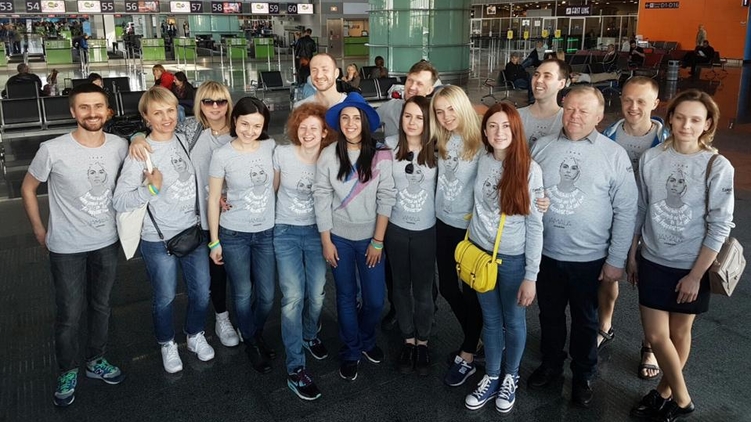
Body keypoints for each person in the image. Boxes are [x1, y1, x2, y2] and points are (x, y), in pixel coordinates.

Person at [528, 86, 638, 408]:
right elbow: (526, 194)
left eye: (584, 110)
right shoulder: (542, 147)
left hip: (590, 259)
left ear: (600, 116)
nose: (574, 115)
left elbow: (626, 210)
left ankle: (583, 374)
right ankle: (551, 364)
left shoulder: (613, 154)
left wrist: (616, 260)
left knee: (586, 321)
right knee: (549, 315)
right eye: (570, 108)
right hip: (546, 254)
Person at [628, 89, 734, 422]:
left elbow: (720, 225)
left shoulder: (717, 165)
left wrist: (695, 275)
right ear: (670, 118)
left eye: (695, 120)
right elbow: (641, 207)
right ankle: (684, 399)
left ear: (708, 124)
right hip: (653, 259)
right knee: (656, 335)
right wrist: (632, 253)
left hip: (691, 265)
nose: (686, 126)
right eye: (681, 118)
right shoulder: (652, 158)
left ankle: (665, 393)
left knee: (679, 334)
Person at [21, 83, 127, 407]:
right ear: (73, 111)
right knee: (69, 313)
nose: (92, 113)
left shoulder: (120, 145)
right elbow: (28, 188)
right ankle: (67, 370)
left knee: (101, 306)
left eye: (98, 106)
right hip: (66, 246)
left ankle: (96, 360)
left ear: (107, 111)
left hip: (106, 241)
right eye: (84, 107)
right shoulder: (52, 149)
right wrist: (39, 229)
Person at [129, 82, 241, 350]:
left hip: (237, 213)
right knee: (214, 274)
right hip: (201, 216)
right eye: (208, 101)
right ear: (199, 104)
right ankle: (221, 317)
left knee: (241, 273)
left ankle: (246, 320)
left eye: (221, 101)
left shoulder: (240, 128)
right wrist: (136, 136)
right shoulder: (190, 129)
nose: (215, 107)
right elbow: (157, 130)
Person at [113, 86, 215, 374]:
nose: (166, 118)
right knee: (165, 297)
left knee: (202, 292)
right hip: (158, 240)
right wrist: (151, 189)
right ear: (146, 117)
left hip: (192, 231)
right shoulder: (141, 153)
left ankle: (195, 334)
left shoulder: (184, 138)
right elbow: (119, 200)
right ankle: (167, 343)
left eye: (170, 110)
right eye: (157, 113)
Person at [463, 102, 543, 414]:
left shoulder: (529, 170)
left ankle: (511, 375)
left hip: (511, 259)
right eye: (492, 126)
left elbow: (535, 226)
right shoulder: (482, 160)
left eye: (506, 126)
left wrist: (531, 275)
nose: (499, 132)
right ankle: (493, 375)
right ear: (484, 131)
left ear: (516, 130)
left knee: (513, 319)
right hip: (480, 255)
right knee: (491, 319)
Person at [313, 92, 395, 382]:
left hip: (371, 239)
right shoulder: (328, 155)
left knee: (375, 300)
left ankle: (365, 338)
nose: (350, 123)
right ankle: (352, 350)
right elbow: (321, 197)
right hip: (339, 239)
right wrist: (326, 240)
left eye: (356, 118)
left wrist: (378, 241)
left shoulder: (381, 154)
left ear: (365, 122)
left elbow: (387, 197)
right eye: (345, 118)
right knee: (346, 296)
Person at [599, 77, 669, 380]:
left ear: (655, 103)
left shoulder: (667, 142)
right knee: (607, 275)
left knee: (650, 284)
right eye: (628, 99)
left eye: (641, 101)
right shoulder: (608, 136)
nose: (633, 106)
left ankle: (650, 343)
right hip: (611, 218)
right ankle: (604, 325)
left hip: (652, 223)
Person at [207, 97, 277, 374]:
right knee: (243, 292)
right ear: (235, 120)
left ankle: (252, 331)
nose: (250, 130)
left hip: (266, 232)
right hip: (234, 233)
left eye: (257, 126)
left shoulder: (271, 147)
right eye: (245, 124)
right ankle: (252, 342)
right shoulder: (222, 155)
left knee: (267, 295)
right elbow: (214, 199)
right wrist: (214, 241)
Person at [274, 103, 336, 400]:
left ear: (324, 133)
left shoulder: (330, 157)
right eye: (303, 127)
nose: (307, 132)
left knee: (317, 293)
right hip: (285, 230)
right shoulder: (282, 153)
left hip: (316, 232)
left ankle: (310, 334)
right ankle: (295, 367)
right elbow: (271, 190)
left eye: (314, 128)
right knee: (292, 297)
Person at [431, 85, 484, 387]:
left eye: (451, 108)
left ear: (463, 106)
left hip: (469, 228)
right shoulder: (443, 137)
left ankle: (468, 351)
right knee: (449, 288)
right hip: (443, 222)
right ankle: (478, 338)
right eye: (440, 111)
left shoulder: (480, 140)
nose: (446, 116)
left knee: (471, 292)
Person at [383, 95, 437, 376]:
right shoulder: (389, 145)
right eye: (408, 116)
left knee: (424, 291)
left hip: (426, 231)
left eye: (419, 117)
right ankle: (408, 339)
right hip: (396, 229)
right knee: (400, 287)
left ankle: (423, 341)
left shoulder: (437, 149)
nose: (412, 122)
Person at [377, 60, 439, 138]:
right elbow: (366, 124)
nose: (412, 87)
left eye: (419, 84)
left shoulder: (435, 116)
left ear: (429, 90)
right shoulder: (390, 107)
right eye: (410, 80)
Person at [518, 59, 569, 146]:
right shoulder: (515, 116)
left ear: (561, 84)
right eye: (536, 75)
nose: (538, 80)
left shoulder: (569, 121)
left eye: (547, 76)